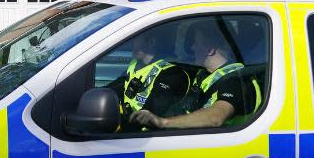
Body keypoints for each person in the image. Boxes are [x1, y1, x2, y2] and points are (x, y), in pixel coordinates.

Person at [129, 21, 260, 130]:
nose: (191, 48)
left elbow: (216, 117)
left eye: (196, 43)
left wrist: (163, 122)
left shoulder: (236, 80)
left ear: (210, 49)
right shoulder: (204, 75)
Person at [105, 30, 192, 129]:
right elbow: (115, 87)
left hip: (145, 137)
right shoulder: (135, 64)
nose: (132, 43)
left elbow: (150, 115)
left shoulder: (171, 74)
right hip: (127, 127)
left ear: (151, 42)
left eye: (136, 39)